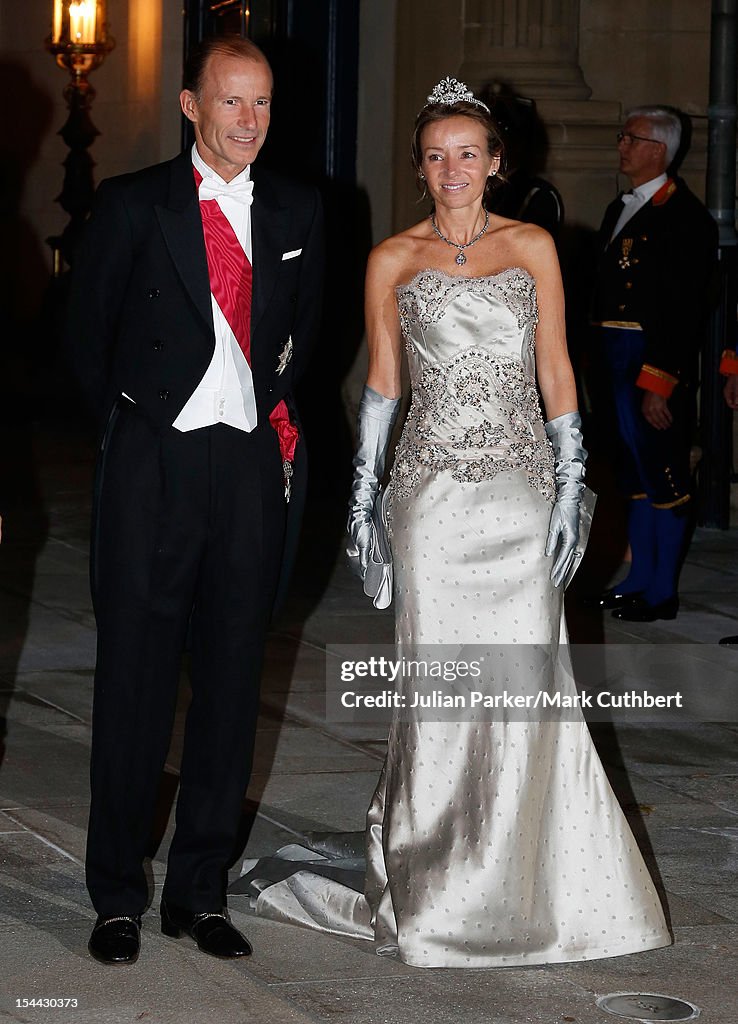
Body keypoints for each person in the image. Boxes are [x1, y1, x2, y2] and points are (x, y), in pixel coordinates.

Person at [239, 78, 670, 968]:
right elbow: (384, 388)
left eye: (468, 152)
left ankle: (535, 883)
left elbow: (557, 371)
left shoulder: (535, 246)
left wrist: (570, 487)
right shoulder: (393, 258)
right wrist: (363, 503)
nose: (452, 169)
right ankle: (435, 888)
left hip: (519, 493)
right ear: (421, 167)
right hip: (430, 500)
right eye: (435, 155)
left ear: (497, 162)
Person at [64, 36, 324, 965]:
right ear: (190, 106)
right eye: (230, 103)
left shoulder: (300, 208)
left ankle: (199, 892)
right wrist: (138, 429)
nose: (248, 121)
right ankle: (117, 894)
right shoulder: (136, 205)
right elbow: (85, 340)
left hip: (249, 472)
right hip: (154, 466)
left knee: (227, 684)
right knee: (135, 681)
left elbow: (307, 340)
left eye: (260, 104)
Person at [589, 106, 717, 621]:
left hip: (648, 363)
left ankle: (662, 592)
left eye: (631, 138)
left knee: (663, 475)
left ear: (659, 149)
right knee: (632, 476)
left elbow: (685, 309)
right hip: (611, 359)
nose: (621, 145)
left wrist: (658, 382)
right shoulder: (620, 207)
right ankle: (639, 577)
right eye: (622, 136)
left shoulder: (683, 217)